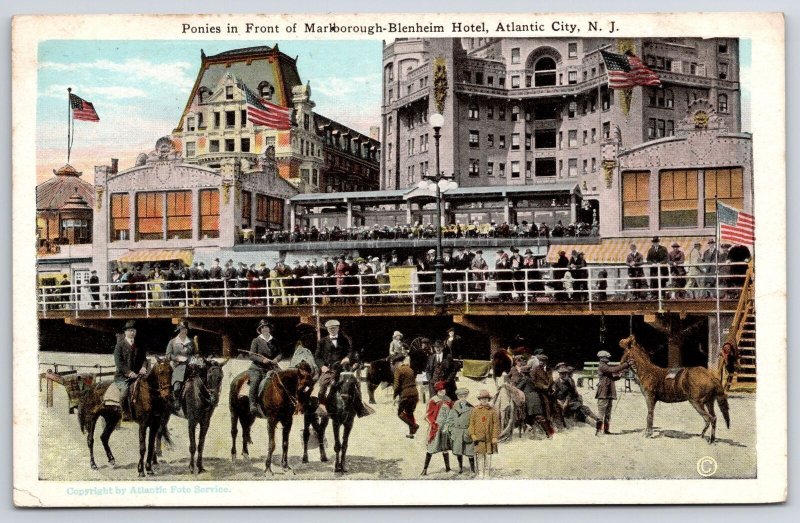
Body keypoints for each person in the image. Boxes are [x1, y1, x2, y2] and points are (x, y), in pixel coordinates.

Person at [314, 319, 371, 417]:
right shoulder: (322, 341)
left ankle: (360, 407)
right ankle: (322, 407)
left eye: (334, 328)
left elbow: (351, 351)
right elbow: (317, 356)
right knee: (323, 385)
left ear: (338, 328)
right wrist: (322, 366)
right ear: (327, 329)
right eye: (330, 328)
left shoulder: (345, 339)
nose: (332, 330)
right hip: (330, 368)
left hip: (344, 367)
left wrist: (347, 358)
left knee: (355, 384)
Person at [113, 320, 148, 417]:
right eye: (130, 331)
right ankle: (125, 413)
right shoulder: (119, 346)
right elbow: (119, 363)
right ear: (125, 332)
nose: (132, 333)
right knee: (125, 391)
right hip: (123, 377)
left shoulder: (139, 345)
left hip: (137, 376)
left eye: (134, 330)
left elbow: (144, 359)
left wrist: (144, 367)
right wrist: (129, 372)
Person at [554, 364, 602, 434]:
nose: (564, 375)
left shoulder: (568, 382)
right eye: (562, 374)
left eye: (565, 373)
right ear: (559, 374)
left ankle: (597, 420)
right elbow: (554, 395)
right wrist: (560, 402)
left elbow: (569, 393)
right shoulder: (556, 382)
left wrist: (567, 401)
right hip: (559, 401)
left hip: (568, 401)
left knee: (582, 408)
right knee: (579, 407)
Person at [517, 354, 556, 438]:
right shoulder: (532, 373)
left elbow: (517, 388)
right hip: (537, 395)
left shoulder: (525, 378)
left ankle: (550, 432)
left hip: (533, 399)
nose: (541, 363)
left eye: (543, 361)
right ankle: (547, 432)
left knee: (540, 416)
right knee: (537, 415)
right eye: (540, 361)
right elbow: (535, 383)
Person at [247, 320, 281, 416]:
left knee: (284, 378)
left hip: (272, 367)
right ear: (260, 330)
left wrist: (276, 359)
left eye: (267, 327)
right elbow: (251, 355)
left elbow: (280, 353)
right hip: (258, 367)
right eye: (263, 328)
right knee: (255, 381)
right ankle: (252, 404)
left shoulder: (274, 340)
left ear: (269, 329)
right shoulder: (256, 341)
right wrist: (262, 360)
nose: (265, 329)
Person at [595, 350, 633, 434]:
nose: (608, 358)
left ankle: (606, 430)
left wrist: (620, 375)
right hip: (603, 392)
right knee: (601, 412)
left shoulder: (605, 366)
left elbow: (612, 377)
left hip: (608, 392)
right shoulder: (602, 366)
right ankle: (598, 431)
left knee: (608, 412)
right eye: (607, 357)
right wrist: (626, 364)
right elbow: (613, 369)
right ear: (602, 358)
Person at [421, 381, 453, 476]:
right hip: (436, 427)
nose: (443, 391)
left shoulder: (448, 400)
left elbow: (452, 412)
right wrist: (433, 423)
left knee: (445, 448)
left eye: (444, 389)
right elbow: (427, 415)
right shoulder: (433, 401)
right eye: (440, 390)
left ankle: (448, 468)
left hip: (446, 427)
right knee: (431, 448)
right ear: (437, 391)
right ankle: (425, 469)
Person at [165, 320, 197, 413]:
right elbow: (167, 356)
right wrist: (178, 358)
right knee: (177, 385)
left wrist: (193, 358)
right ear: (179, 329)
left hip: (190, 366)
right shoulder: (172, 342)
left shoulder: (191, 341)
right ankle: (177, 400)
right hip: (178, 366)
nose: (184, 331)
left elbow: (195, 353)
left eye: (186, 329)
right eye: (182, 329)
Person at [468, 390, 500, 479]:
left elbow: (496, 424)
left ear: (488, 399)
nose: (484, 400)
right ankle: (480, 473)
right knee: (479, 455)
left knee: (488, 455)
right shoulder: (475, 410)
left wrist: (494, 436)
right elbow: (471, 424)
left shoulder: (492, 411)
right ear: (480, 400)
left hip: (489, 438)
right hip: (478, 438)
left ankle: (487, 473)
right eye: (482, 399)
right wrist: (473, 435)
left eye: (485, 399)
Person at [447, 388, 476, 475]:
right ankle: (460, 467)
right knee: (458, 451)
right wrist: (452, 430)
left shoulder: (471, 408)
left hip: (467, 431)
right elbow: (450, 420)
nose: (463, 398)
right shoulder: (454, 407)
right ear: (458, 397)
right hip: (457, 432)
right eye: (461, 396)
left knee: (470, 451)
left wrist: (470, 431)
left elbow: (473, 421)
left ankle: (472, 469)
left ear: (467, 396)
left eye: (464, 396)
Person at [392, 352, 419, 438]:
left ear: (397, 363)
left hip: (405, 395)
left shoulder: (398, 370)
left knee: (400, 413)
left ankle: (414, 425)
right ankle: (411, 434)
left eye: (394, 364)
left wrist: (394, 396)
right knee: (409, 413)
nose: (395, 366)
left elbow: (396, 385)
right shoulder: (410, 369)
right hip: (415, 394)